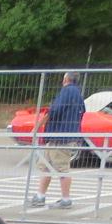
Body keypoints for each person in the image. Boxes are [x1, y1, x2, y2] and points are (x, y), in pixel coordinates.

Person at [30, 72, 85, 209]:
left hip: (60, 137)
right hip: (62, 135)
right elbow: (83, 111)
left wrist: (37, 127)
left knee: (62, 168)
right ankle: (40, 196)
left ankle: (66, 199)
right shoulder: (78, 93)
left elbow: (53, 111)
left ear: (65, 79)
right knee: (46, 165)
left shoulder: (66, 92)